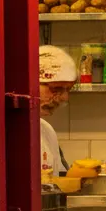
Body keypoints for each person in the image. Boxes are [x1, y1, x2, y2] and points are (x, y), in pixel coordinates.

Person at [38, 46, 77, 176]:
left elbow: (59, 180)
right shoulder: (0, 133)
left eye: (67, 90)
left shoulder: (46, 130)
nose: (64, 98)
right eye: (57, 88)